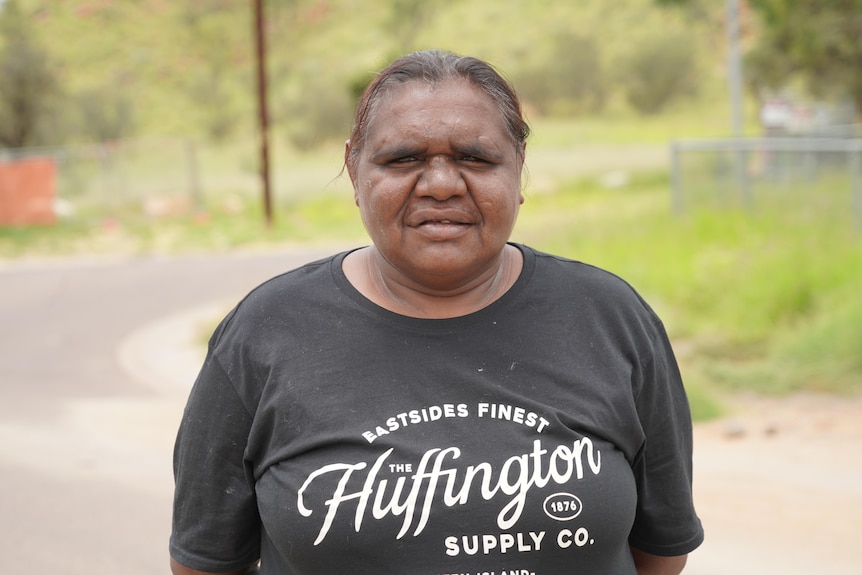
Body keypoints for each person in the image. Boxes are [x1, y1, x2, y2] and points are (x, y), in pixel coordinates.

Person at [170, 49, 703, 575]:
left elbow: (661, 551)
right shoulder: (266, 333)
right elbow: (205, 564)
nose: (442, 184)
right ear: (355, 172)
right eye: (404, 159)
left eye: (475, 158)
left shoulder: (608, 319)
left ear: (518, 171)